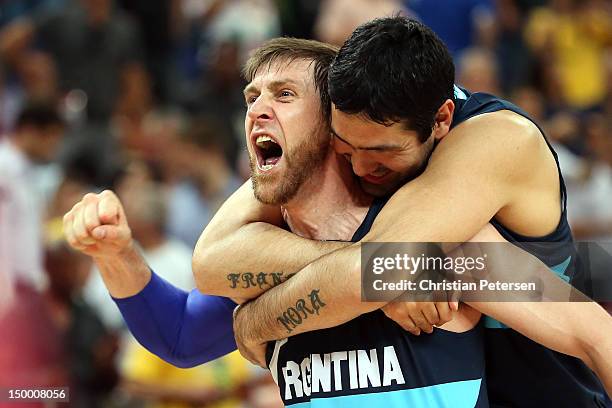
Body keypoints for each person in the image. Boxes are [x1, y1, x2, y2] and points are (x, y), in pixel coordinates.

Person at [64, 34, 612, 405]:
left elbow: (592, 332)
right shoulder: (267, 257)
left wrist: (256, 325)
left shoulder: (450, 245)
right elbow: (180, 335)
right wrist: (117, 256)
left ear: (332, 121)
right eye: (252, 96)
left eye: (284, 95)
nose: (258, 109)